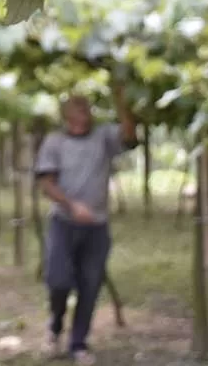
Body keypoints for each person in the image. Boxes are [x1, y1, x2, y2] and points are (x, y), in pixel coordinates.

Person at [34, 85, 138, 363]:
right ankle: (55, 326)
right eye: (78, 108)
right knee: (58, 280)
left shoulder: (103, 136)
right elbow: (46, 183)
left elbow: (129, 135)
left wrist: (121, 98)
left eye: (87, 108)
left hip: (97, 226)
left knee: (90, 284)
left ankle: (78, 342)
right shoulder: (55, 142)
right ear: (67, 114)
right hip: (63, 223)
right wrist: (71, 206)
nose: (84, 113)